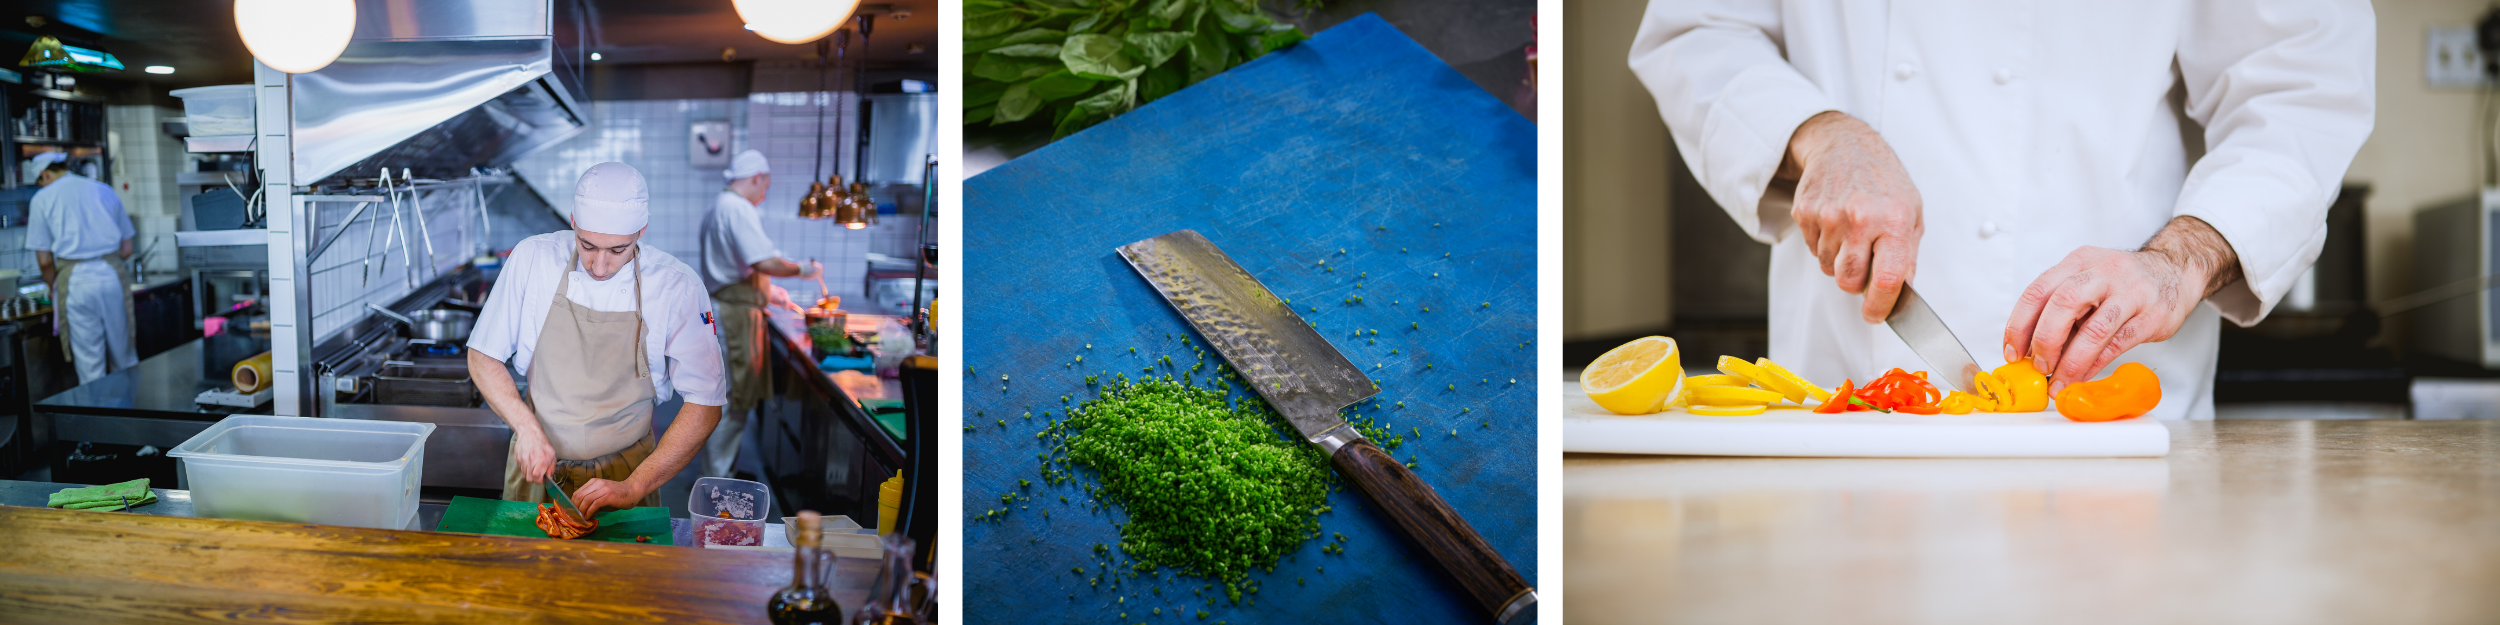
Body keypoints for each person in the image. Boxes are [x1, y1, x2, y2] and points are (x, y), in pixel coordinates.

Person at [1629, 1, 2374, 420]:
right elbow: (1696, 31)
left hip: (2111, 429)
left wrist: (2178, 260)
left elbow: (2301, 86)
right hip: (1849, 416)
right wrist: (1818, 135)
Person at [466, 162, 727, 515]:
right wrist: (526, 430)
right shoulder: (532, 260)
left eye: (618, 250)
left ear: (641, 231)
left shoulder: (676, 286)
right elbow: (483, 355)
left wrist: (636, 485)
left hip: (628, 474)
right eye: (587, 245)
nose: (599, 266)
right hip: (537, 469)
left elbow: (705, 404)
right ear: (572, 221)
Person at [697, 149, 822, 479]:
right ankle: (718, 483)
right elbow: (763, 262)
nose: (765, 193)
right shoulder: (736, 208)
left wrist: (769, 292)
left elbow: (736, 268)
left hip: (731, 309)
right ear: (757, 178)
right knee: (731, 403)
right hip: (733, 317)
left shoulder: (721, 206)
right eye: (765, 185)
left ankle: (721, 475)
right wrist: (802, 269)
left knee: (730, 401)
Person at [27, 152, 137, 382]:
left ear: (44, 174)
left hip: (75, 282)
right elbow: (127, 249)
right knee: (124, 356)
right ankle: (131, 414)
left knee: (90, 366)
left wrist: (52, 286)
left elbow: (45, 261)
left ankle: (98, 416)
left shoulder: (42, 198)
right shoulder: (103, 189)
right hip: (111, 277)